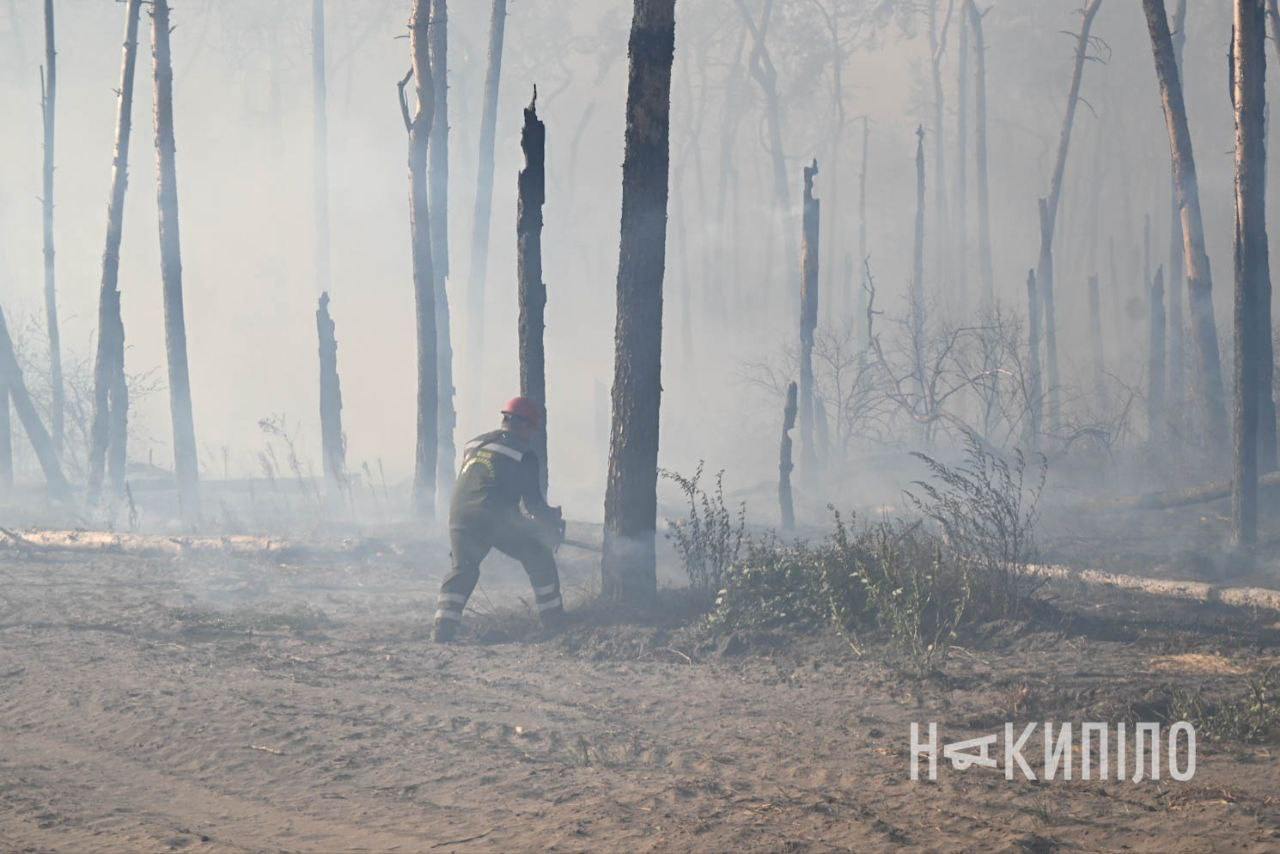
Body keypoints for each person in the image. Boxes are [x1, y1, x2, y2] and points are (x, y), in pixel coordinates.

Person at [433, 396, 565, 642]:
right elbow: (533, 504)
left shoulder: (474, 444)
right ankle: (554, 622)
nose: (532, 434)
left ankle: (443, 627)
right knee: (538, 555)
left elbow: (485, 481)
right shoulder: (523, 453)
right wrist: (550, 523)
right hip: (492, 517)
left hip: (459, 515)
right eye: (532, 428)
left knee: (463, 569)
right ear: (524, 425)